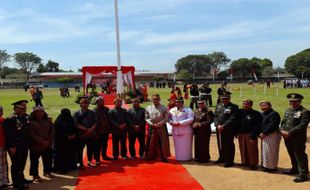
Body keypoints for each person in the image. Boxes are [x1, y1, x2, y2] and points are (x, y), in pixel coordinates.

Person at [280, 93, 310, 183]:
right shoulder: (288, 110)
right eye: (291, 101)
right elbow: (283, 122)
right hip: (287, 137)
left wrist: (289, 132)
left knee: (300, 155)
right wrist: (282, 130)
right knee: (291, 153)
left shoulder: (305, 112)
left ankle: (303, 174)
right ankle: (294, 169)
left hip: (298, 138)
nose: (292, 103)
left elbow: (302, 125)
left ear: (300, 101)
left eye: (295, 101)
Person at [3, 100, 32, 190]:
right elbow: (9, 134)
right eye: (22, 108)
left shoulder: (26, 117)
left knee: (22, 162)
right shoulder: (10, 119)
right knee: (16, 164)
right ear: (15, 108)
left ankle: (21, 178)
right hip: (15, 146)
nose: (24, 109)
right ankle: (17, 183)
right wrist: (12, 146)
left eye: (25, 108)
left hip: (24, 144)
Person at [29, 106, 54, 182]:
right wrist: (42, 141)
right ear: (34, 113)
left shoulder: (48, 121)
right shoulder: (31, 123)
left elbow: (52, 131)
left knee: (48, 159)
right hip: (36, 145)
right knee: (34, 161)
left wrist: (49, 140)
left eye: (41, 111)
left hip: (47, 144)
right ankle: (35, 175)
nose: (40, 113)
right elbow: (31, 134)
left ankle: (47, 172)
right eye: (38, 112)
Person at [213, 91, 238, 167]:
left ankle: (229, 161)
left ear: (229, 98)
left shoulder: (234, 107)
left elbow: (232, 118)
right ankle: (222, 157)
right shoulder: (218, 106)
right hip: (219, 129)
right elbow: (215, 116)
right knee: (220, 143)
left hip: (228, 129)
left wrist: (223, 126)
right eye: (222, 98)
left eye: (225, 98)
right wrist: (217, 125)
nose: (223, 100)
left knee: (229, 145)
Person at [237, 99, 262, 170]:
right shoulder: (239, 112)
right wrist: (236, 132)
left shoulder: (256, 113)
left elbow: (257, 126)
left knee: (252, 149)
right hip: (241, 133)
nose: (244, 105)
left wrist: (253, 136)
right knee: (242, 148)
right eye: (244, 104)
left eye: (246, 104)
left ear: (251, 105)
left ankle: (253, 164)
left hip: (250, 134)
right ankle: (244, 162)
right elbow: (236, 122)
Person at [145, 94, 170, 162]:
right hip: (152, 127)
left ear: (159, 100)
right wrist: (152, 124)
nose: (155, 100)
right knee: (151, 142)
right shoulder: (148, 107)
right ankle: (150, 156)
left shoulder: (164, 108)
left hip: (161, 127)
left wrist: (158, 124)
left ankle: (164, 157)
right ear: (152, 100)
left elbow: (166, 118)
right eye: (154, 99)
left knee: (163, 142)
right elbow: (146, 118)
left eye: (157, 99)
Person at [73, 96, 97, 168]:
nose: (85, 104)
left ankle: (90, 161)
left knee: (90, 149)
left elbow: (96, 122)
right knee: (80, 149)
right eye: (83, 103)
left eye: (87, 103)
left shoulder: (92, 112)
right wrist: (85, 129)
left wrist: (91, 129)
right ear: (80, 104)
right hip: (81, 134)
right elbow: (75, 123)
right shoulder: (77, 113)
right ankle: (80, 163)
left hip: (91, 134)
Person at [168, 97, 194, 161]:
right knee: (177, 146)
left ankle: (187, 158)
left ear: (182, 102)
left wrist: (180, 123)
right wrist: (171, 122)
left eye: (179, 102)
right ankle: (178, 157)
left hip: (185, 131)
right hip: (175, 130)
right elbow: (168, 118)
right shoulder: (172, 110)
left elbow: (191, 119)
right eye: (176, 102)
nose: (177, 103)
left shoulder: (188, 109)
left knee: (186, 146)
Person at [53, 108, 78, 174]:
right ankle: (60, 168)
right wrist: (66, 136)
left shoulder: (71, 119)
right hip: (61, 142)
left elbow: (75, 128)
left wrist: (74, 135)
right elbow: (56, 132)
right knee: (61, 155)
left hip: (70, 142)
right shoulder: (58, 121)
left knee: (70, 154)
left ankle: (71, 166)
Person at [259, 100, 281, 172]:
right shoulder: (262, 114)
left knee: (271, 151)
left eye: (265, 105)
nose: (263, 107)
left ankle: (272, 168)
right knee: (265, 151)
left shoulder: (274, 114)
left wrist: (264, 133)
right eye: (262, 105)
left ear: (270, 105)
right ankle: (266, 166)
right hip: (264, 135)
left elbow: (272, 125)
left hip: (272, 134)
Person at [193, 98, 214, 163]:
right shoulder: (196, 110)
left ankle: (204, 158)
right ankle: (197, 157)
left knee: (204, 145)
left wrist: (200, 124)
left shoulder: (208, 111)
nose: (200, 104)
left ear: (204, 103)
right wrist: (194, 124)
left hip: (205, 131)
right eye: (199, 103)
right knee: (197, 144)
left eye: (202, 103)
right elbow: (194, 119)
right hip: (197, 130)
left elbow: (210, 121)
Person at [93, 97, 113, 164]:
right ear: (97, 102)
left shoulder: (106, 109)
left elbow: (109, 119)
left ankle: (104, 156)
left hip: (106, 130)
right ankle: (97, 158)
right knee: (98, 145)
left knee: (105, 144)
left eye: (102, 101)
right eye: (100, 101)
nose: (102, 103)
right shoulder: (94, 111)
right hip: (98, 131)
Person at [0, 106, 10, 188]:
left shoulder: (3, 120)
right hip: (1, 144)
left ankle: (3, 181)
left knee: (3, 164)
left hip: (3, 144)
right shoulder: (3, 120)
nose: (1, 112)